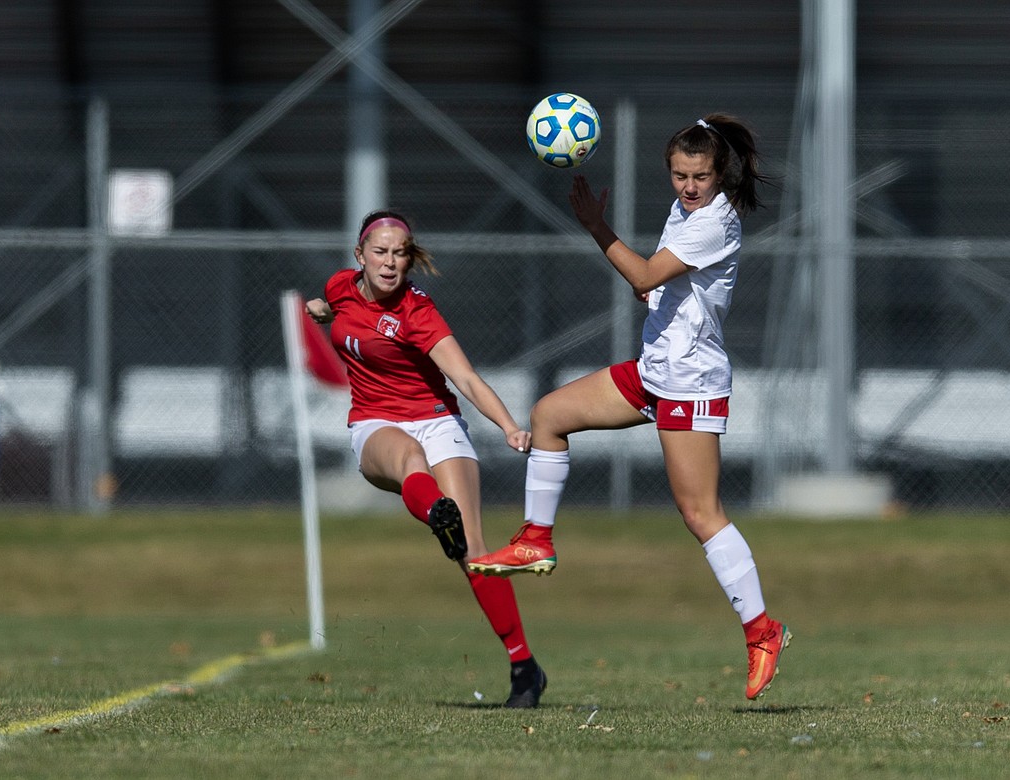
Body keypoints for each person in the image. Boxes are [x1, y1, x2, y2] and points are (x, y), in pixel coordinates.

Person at [468, 114, 791, 701]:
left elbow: (643, 269)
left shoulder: (713, 221)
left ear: (719, 175)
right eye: (679, 175)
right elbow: (656, 281)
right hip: (655, 370)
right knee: (549, 416)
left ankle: (762, 631)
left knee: (700, 514)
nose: (689, 186)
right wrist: (654, 286)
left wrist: (597, 226)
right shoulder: (687, 211)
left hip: (691, 382)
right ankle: (536, 538)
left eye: (699, 176)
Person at [306, 209, 546, 708]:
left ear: (409, 259)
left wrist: (509, 428)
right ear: (360, 257)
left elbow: (468, 379)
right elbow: (340, 307)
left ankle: (525, 667)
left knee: (475, 552)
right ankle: (438, 511)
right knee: (409, 457)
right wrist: (322, 310)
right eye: (380, 252)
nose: (390, 263)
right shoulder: (340, 286)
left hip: (437, 420)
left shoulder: (418, 313)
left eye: (400, 254)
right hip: (375, 423)